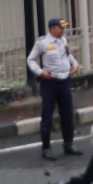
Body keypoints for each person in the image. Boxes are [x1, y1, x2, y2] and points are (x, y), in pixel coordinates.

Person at [28, 17, 80, 161]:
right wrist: (40, 72)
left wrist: (74, 64)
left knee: (67, 114)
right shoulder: (43, 42)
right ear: (52, 28)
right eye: (60, 27)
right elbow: (31, 60)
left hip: (64, 81)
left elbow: (68, 55)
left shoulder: (64, 40)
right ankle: (46, 148)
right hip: (50, 82)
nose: (63, 30)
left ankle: (68, 144)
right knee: (47, 116)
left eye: (64, 27)